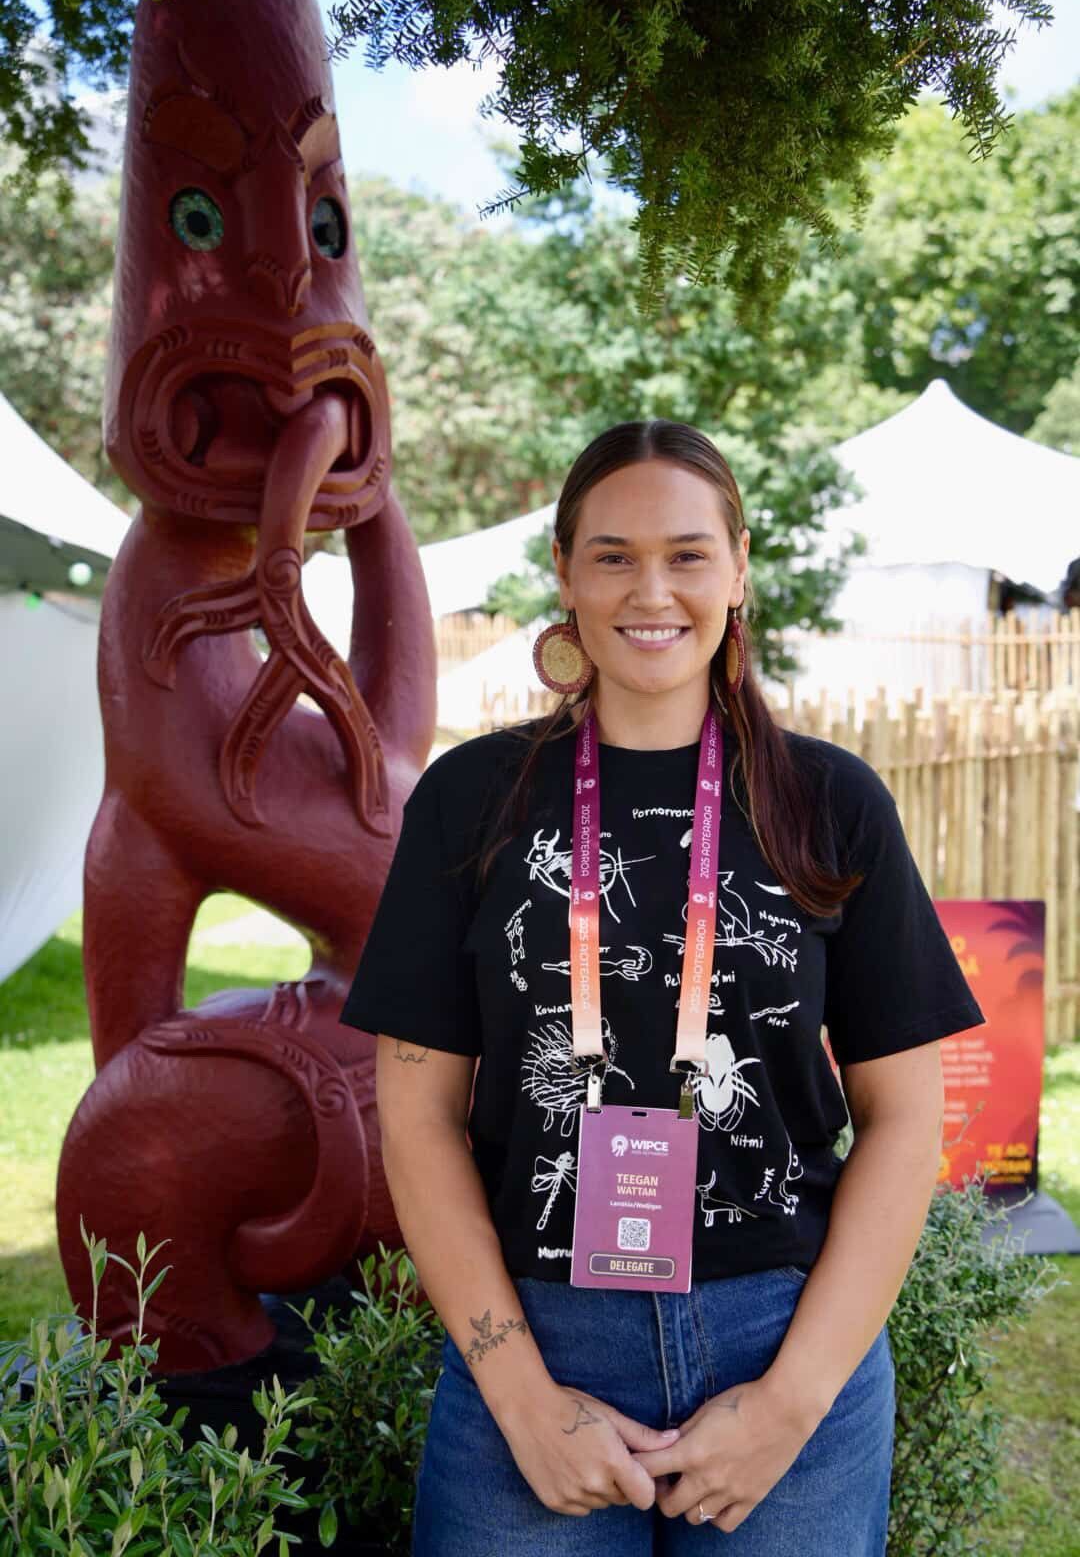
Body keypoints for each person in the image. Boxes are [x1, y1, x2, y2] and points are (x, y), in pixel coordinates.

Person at [338, 418, 986, 1556]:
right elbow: (417, 1114)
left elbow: (906, 1117)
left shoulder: (830, 802)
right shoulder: (469, 799)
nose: (653, 589)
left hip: (787, 1341)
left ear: (739, 566)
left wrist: (792, 1402)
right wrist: (523, 1398)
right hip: (537, 1344)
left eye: (688, 553)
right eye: (613, 553)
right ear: (565, 572)